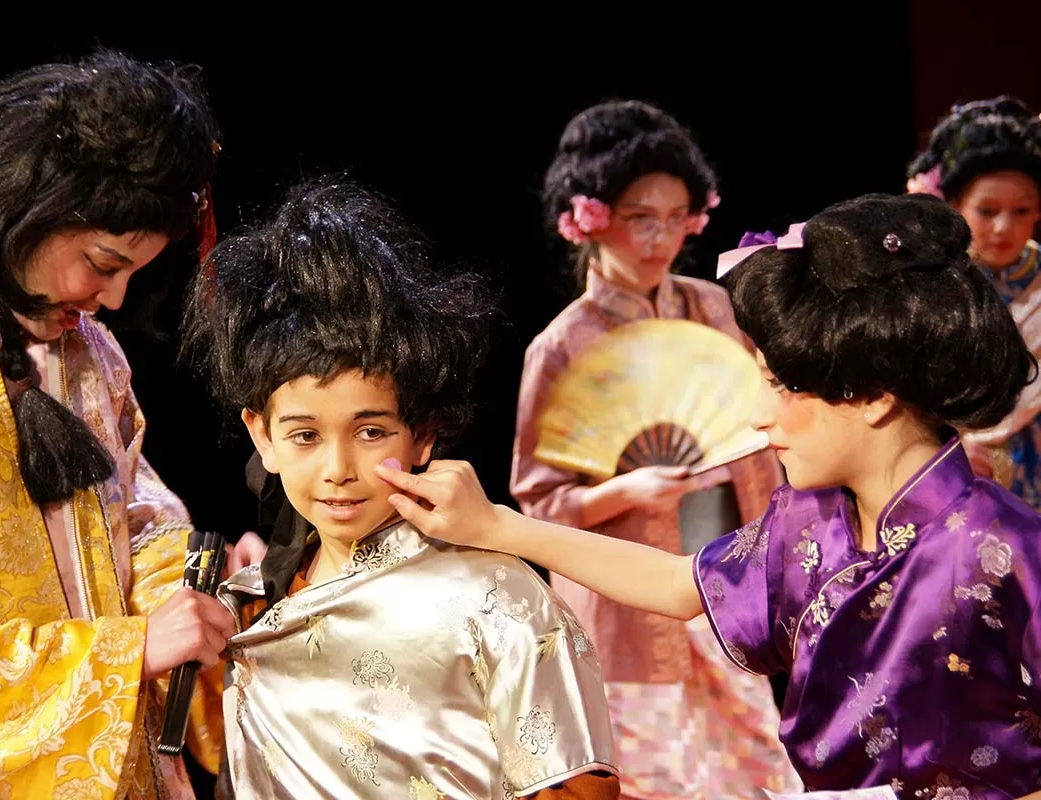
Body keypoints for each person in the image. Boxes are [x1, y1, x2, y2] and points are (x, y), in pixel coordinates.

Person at [376, 193, 1041, 797]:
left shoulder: (1010, 548)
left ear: (873, 396)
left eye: (782, 386)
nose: (757, 417)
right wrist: (497, 527)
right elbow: (677, 585)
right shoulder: (808, 523)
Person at [0, 50, 263, 799]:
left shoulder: (85, 350)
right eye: (103, 262)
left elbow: (135, 527)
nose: (113, 298)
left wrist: (210, 594)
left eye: (132, 271)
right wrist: (127, 653)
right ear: (25, 207)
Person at [182, 178, 620, 799]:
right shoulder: (245, 607)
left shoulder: (498, 597)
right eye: (305, 436)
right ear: (263, 436)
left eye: (370, 432)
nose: (338, 468)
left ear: (423, 437)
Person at [513, 99, 796, 797]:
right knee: (657, 782)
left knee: (761, 772)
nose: (660, 237)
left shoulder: (716, 308)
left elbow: (763, 427)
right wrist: (625, 491)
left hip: (726, 581)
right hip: (628, 603)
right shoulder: (562, 345)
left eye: (675, 218)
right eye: (641, 218)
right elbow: (538, 502)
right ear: (590, 218)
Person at [907, 96, 1041, 509]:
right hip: (953, 462)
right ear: (954, 206)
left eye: (1021, 210)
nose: (1004, 227)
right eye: (987, 210)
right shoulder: (932, 283)